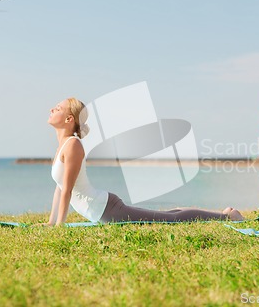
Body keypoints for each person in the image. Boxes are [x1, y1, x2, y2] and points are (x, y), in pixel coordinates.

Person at [41, 97, 243, 226]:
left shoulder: (73, 146)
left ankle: (227, 217)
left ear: (69, 119)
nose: (52, 109)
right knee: (167, 215)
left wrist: (60, 226)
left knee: (170, 219)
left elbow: (67, 189)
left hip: (107, 210)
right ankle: (221, 214)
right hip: (102, 209)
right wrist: (52, 222)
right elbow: (60, 187)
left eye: (57, 108)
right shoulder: (63, 145)